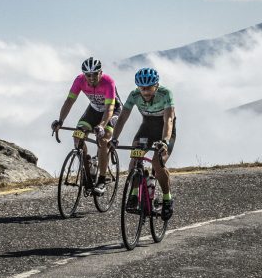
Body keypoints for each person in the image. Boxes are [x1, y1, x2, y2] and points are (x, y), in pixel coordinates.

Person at [51, 57, 121, 195]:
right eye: (88, 75)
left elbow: (109, 109)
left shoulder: (108, 82)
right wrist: (60, 121)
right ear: (84, 74)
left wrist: (101, 126)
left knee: (103, 140)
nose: (91, 77)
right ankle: (88, 171)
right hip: (93, 110)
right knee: (78, 136)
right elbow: (70, 100)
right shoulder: (79, 80)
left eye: (95, 74)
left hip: (112, 110)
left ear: (101, 73)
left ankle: (101, 180)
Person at [113, 67, 177, 220]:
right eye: (142, 88)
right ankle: (135, 194)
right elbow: (122, 119)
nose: (146, 92)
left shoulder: (165, 94)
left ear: (156, 85)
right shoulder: (134, 95)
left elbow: (168, 119)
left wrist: (165, 141)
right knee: (135, 159)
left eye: (149, 88)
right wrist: (114, 139)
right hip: (147, 128)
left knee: (157, 162)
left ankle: (167, 199)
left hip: (164, 130)